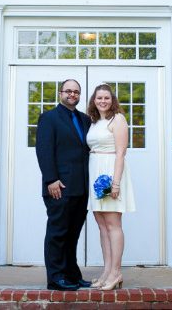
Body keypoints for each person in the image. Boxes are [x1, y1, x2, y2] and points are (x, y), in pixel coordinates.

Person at [35, 79, 92, 291]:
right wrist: (51, 179)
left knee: (73, 234)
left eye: (76, 92)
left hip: (81, 187)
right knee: (58, 233)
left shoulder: (85, 119)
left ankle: (72, 274)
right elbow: (43, 150)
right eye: (68, 91)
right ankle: (55, 277)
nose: (72, 94)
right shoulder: (49, 118)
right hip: (58, 186)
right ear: (61, 93)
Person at [85, 84, 136, 291]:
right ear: (94, 100)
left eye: (106, 97)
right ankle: (107, 271)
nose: (103, 101)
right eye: (99, 98)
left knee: (113, 223)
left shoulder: (118, 119)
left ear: (112, 99)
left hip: (109, 174)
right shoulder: (95, 121)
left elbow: (121, 153)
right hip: (95, 172)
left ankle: (116, 272)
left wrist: (115, 183)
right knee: (102, 225)